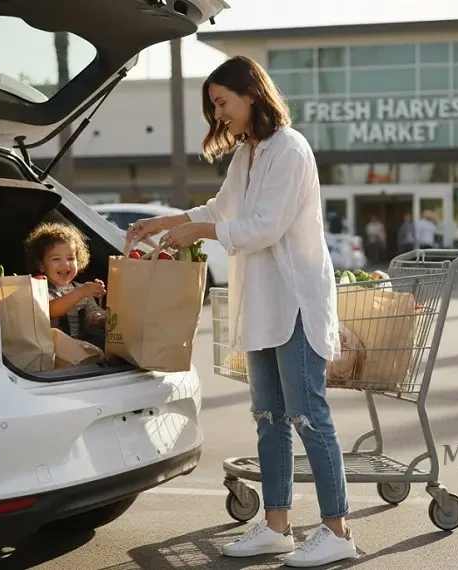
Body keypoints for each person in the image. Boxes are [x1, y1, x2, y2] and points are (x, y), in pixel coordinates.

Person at [125, 55, 356, 567]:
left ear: (251, 94)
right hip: (262, 305)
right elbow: (221, 210)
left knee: (308, 416)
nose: (219, 113)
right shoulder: (248, 154)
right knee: (269, 418)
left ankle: (338, 529)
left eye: (222, 102)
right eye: (214, 106)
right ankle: (277, 526)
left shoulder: (290, 149)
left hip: (294, 301)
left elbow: (264, 227)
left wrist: (199, 233)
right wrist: (166, 222)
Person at [23, 222, 107, 342]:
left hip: (80, 350)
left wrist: (101, 318)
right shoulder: (39, 288)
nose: (65, 264)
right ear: (42, 265)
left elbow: (92, 313)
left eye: (70, 258)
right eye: (56, 259)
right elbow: (51, 310)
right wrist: (82, 292)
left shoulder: (80, 289)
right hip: (52, 350)